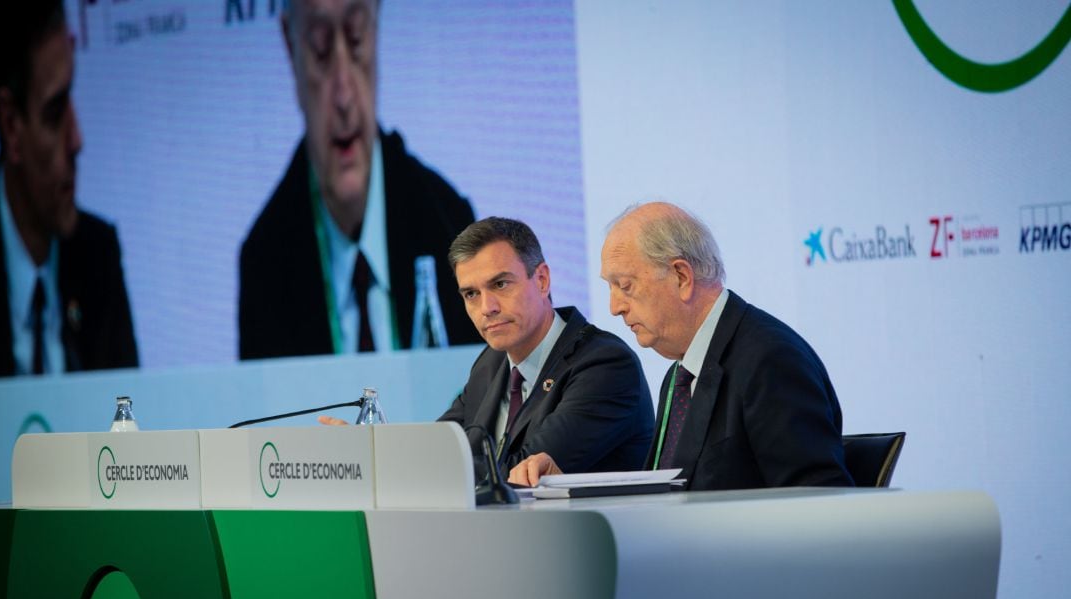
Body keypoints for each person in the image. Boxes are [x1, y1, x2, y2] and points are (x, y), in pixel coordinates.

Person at [521, 202, 852, 490]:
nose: (615, 307)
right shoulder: (680, 375)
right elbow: (667, 495)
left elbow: (816, 500)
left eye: (625, 285)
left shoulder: (770, 361)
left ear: (681, 276)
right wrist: (566, 486)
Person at [239, 0, 479, 360]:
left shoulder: (450, 225)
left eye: (355, 42)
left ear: (376, 29)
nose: (344, 95)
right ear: (291, 50)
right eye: (320, 50)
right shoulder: (264, 262)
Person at [436, 217, 654, 485]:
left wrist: (441, 474)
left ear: (541, 280)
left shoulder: (605, 365)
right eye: (471, 294)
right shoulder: (490, 363)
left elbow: (523, 476)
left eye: (500, 285)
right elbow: (435, 451)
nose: (486, 308)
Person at [0, 0, 138, 377]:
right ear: (11, 126)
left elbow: (130, 429)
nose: (77, 140)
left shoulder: (98, 256)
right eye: (55, 114)